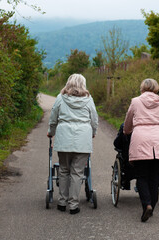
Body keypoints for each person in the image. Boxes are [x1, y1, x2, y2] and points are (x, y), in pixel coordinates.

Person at [47, 73, 98, 215]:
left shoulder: (60, 98)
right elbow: (94, 119)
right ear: (83, 84)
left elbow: (53, 118)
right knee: (77, 172)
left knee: (63, 170)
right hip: (82, 138)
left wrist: (51, 132)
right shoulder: (88, 100)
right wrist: (93, 132)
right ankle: (74, 205)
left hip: (64, 137)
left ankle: (62, 202)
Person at [123, 78, 159, 222]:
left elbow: (128, 120)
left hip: (141, 139)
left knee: (142, 176)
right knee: (154, 176)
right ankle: (152, 207)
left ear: (142, 88)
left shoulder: (136, 101)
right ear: (156, 89)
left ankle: (147, 205)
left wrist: (127, 131)